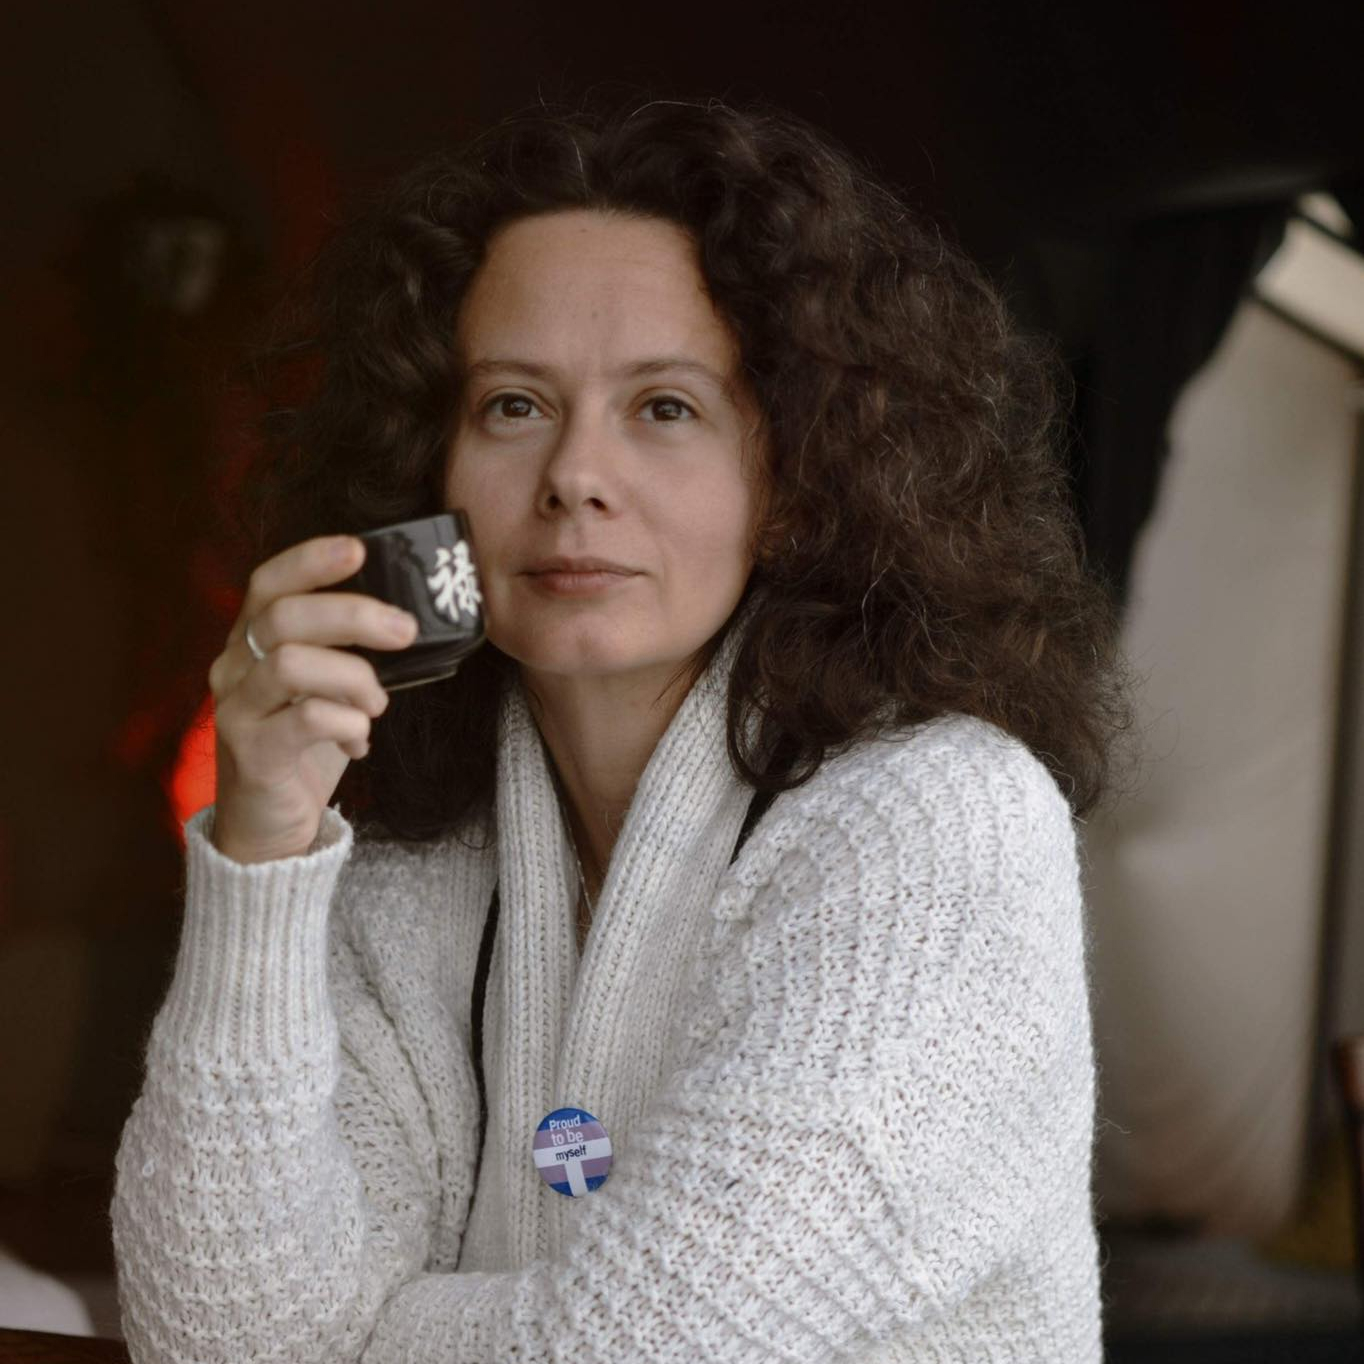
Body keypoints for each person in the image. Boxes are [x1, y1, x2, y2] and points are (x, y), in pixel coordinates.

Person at [110, 93, 1138, 1362]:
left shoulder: (939, 827)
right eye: (512, 405)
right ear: (429, 472)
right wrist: (261, 851)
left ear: (799, 476)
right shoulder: (403, 875)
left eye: (664, 407)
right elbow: (211, 1338)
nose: (573, 478)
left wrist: (355, 1340)